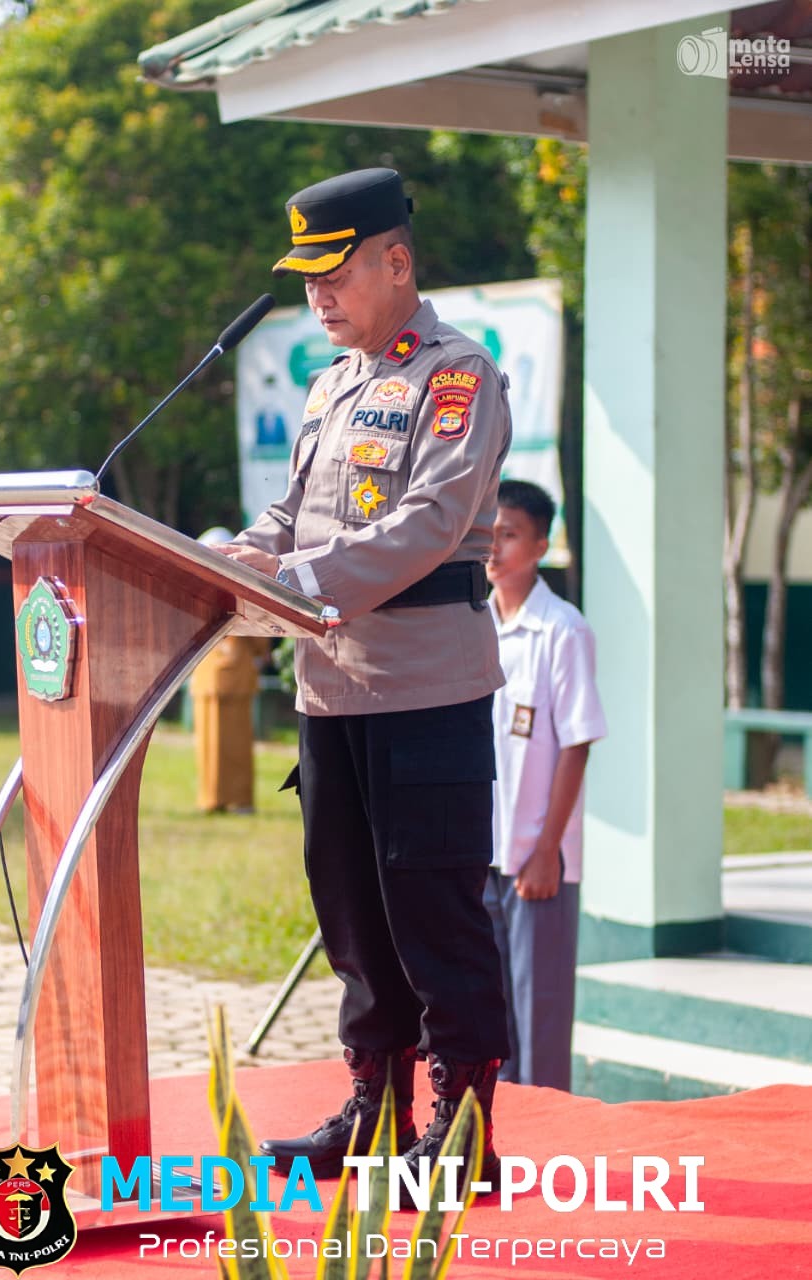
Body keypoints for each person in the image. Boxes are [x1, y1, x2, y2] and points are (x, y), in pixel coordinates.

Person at [218, 167, 513, 1190]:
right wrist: (231, 560)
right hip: (329, 687)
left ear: (396, 261)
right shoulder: (332, 383)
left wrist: (294, 577)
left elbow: (430, 523)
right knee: (351, 913)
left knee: (435, 913)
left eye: (333, 274)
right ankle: (376, 1114)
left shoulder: (457, 374)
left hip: (425, 687)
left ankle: (462, 1137)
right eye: (306, 280)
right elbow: (292, 517)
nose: (317, 296)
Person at [484, 480, 607, 1091]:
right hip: (481, 858)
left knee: (540, 1027)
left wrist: (546, 850)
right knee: (489, 1028)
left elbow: (577, 744)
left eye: (509, 534)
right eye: (488, 532)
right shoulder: (472, 623)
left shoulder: (563, 629)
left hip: (536, 863)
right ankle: (493, 1138)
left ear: (540, 546)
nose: (494, 546)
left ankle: (551, 1140)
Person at [191, 527, 271, 813]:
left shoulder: (194, 591)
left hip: (206, 675)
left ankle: (211, 799)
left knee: (209, 743)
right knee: (237, 743)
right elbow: (260, 636)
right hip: (237, 675)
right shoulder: (243, 589)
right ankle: (239, 800)